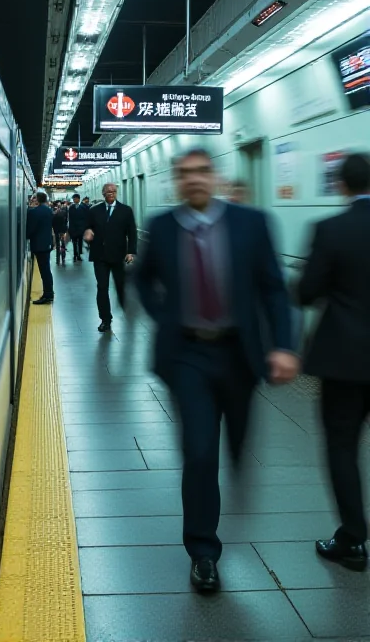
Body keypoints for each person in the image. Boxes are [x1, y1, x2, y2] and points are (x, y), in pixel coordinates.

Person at [136, 148, 298, 593]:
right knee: (200, 451)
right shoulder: (162, 227)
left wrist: (284, 345)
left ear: (216, 176)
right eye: (184, 174)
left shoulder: (251, 223)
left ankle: (235, 479)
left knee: (238, 441)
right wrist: (165, 314)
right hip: (187, 355)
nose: (194, 180)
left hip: (238, 355)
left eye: (201, 172)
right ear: (175, 181)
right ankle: (203, 551)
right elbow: (143, 279)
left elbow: (273, 290)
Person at [298, 152, 370, 572]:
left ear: (341, 185)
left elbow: (307, 292)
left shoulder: (330, 229)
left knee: (342, 447)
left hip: (344, 360)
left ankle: (353, 539)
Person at [83, 182, 137, 332]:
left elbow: (132, 233)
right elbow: (87, 226)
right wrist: (87, 231)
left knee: (121, 285)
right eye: (108, 191)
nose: (111, 193)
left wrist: (131, 251)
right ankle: (105, 319)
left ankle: (125, 304)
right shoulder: (94, 211)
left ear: (116, 192)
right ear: (103, 193)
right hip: (99, 256)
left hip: (119, 255)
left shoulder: (126, 211)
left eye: (113, 191)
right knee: (102, 287)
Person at [26, 191, 54, 305]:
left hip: (39, 245)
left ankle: (47, 295)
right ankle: (49, 293)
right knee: (46, 270)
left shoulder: (34, 212)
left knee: (44, 271)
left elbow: (30, 230)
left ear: (37, 199)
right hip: (46, 244)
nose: (32, 200)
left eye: (33, 198)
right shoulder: (48, 210)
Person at [68, 193, 88, 262]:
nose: (74, 200)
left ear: (78, 199)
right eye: (73, 199)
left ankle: (79, 255)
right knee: (74, 242)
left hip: (81, 228)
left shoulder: (84, 207)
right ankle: (75, 255)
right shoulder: (71, 208)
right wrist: (69, 229)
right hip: (73, 228)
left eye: (75, 199)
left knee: (80, 242)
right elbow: (70, 218)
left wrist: (85, 228)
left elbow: (86, 218)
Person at [52, 201, 68, 266]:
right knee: (63, 244)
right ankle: (63, 257)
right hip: (62, 230)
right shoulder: (64, 212)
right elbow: (66, 221)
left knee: (58, 244)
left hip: (56, 230)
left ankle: (58, 259)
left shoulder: (53, 213)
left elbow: (52, 222)